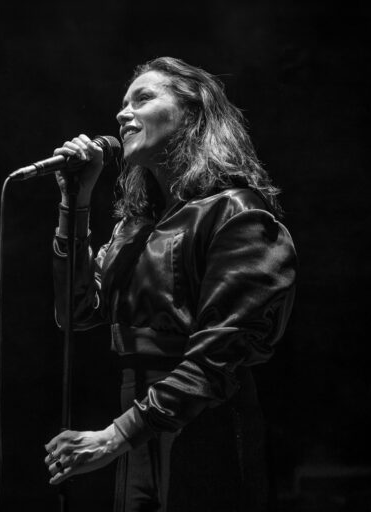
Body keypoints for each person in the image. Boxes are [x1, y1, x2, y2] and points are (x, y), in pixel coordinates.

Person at [43, 57, 298, 512]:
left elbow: (219, 355)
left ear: (192, 113)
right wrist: (74, 203)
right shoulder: (134, 230)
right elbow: (76, 312)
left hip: (204, 426)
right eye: (123, 103)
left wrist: (116, 435)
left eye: (142, 99)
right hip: (137, 424)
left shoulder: (236, 214)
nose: (122, 113)